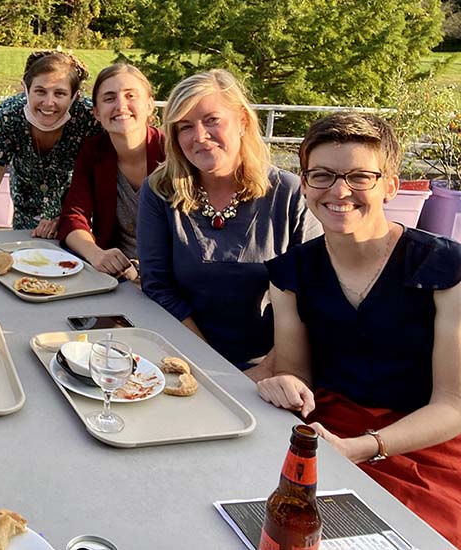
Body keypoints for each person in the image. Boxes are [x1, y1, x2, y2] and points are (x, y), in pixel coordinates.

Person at [258, 113, 461, 545]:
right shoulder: (290, 272)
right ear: (305, 182)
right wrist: (281, 383)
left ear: (391, 184)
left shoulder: (446, 270)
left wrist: (366, 447)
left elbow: (453, 405)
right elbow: (297, 375)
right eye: (323, 175)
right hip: (329, 428)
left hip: (424, 444)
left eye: (358, 176)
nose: (338, 191)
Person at [137, 69, 320, 375]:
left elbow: (314, 294)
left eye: (212, 120)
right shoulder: (159, 192)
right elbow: (158, 286)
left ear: (243, 122)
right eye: (185, 126)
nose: (199, 136)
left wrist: (269, 370)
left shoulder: (287, 193)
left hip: (273, 366)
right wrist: (208, 366)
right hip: (180, 358)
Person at [0, 50, 101, 237]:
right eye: (40, 91)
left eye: (60, 93)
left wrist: (68, 217)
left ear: (74, 96)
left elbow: (100, 177)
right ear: (26, 89)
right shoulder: (10, 114)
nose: (48, 103)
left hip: (78, 221)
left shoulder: (89, 118)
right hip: (25, 220)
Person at [58, 63, 165, 278]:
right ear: (96, 113)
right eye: (109, 98)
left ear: (150, 105)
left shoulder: (173, 151)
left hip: (170, 278)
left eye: (130, 96)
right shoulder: (93, 152)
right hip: (118, 278)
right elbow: (73, 215)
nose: (120, 105)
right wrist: (96, 254)